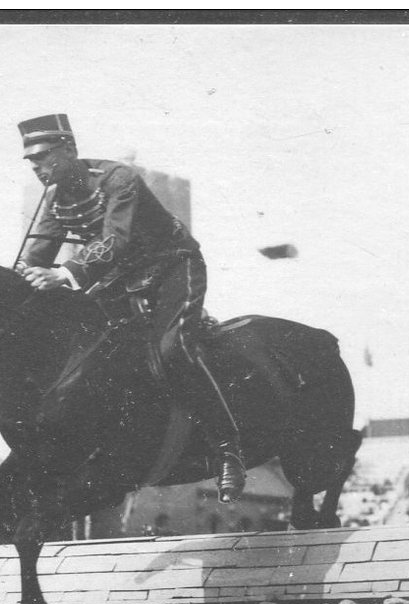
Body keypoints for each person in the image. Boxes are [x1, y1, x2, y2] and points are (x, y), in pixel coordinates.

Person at [14, 112, 246, 502]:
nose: (38, 167)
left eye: (45, 157)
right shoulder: (54, 195)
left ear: (69, 149)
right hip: (120, 278)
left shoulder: (117, 179)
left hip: (172, 265)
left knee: (173, 349)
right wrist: (21, 278)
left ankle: (228, 451)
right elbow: (37, 255)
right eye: (33, 161)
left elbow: (115, 241)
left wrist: (63, 274)